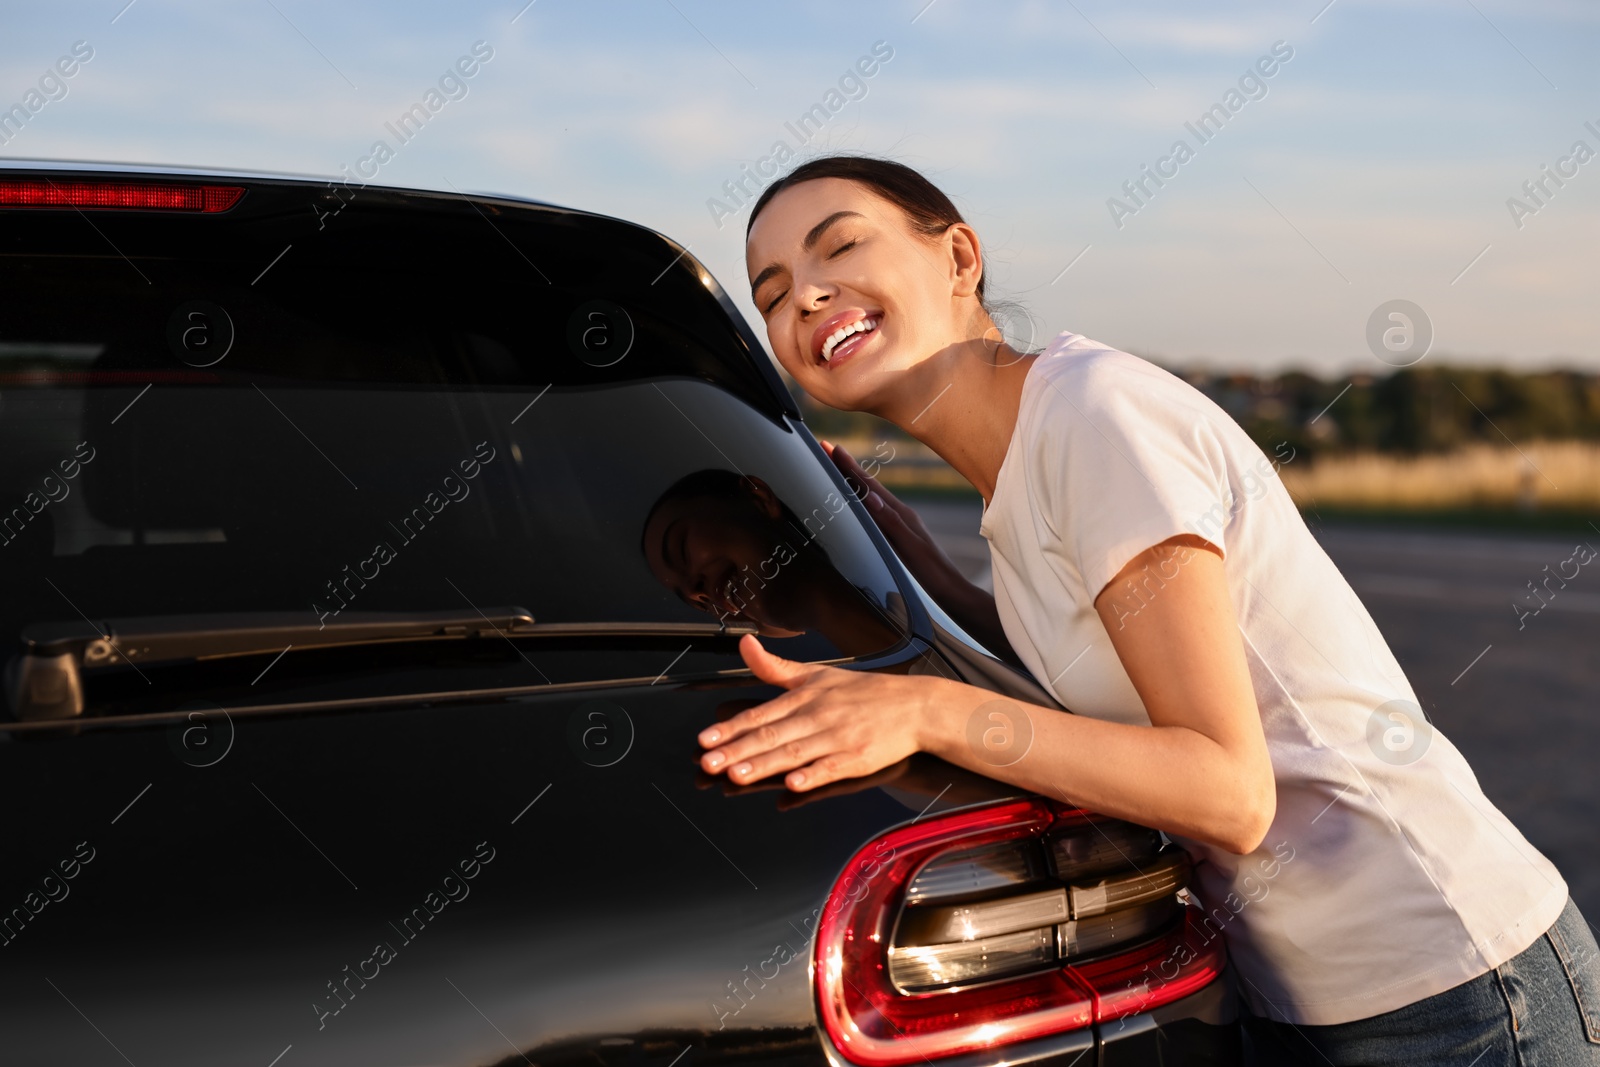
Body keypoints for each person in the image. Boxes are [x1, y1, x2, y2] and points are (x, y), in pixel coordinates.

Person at [695, 153, 1600, 1065]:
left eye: (839, 246)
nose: (805, 298)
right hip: (1309, 999)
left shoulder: (1095, 417)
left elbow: (1229, 792)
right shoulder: (1017, 475)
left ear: (959, 257)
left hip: (1459, 991)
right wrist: (916, 575)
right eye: (772, 294)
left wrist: (929, 710)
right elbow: (1096, 680)